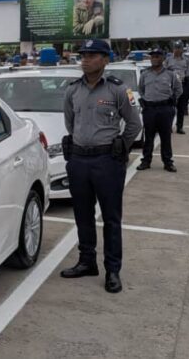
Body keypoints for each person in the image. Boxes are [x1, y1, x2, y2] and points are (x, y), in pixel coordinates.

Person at [60, 39, 142, 294]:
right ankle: (87, 262)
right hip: (79, 160)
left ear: (105, 60)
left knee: (111, 218)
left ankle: (113, 270)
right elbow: (70, 122)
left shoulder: (118, 89)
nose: (85, 59)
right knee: (82, 214)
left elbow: (134, 124)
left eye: (92, 55)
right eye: (83, 55)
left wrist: (120, 147)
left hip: (107, 161)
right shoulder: (73, 90)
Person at [136, 49, 182, 172]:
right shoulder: (145, 74)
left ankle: (168, 162)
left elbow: (178, 89)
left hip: (165, 109)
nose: (154, 59)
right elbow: (140, 89)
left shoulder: (170, 74)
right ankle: (146, 161)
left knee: (165, 137)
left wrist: (171, 100)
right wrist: (147, 99)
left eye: (157, 56)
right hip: (149, 109)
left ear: (163, 58)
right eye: (153, 57)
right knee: (148, 137)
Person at [165, 47, 189, 134]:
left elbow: (188, 72)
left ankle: (179, 127)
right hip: (171, 86)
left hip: (182, 85)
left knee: (181, 108)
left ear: (182, 50)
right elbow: (164, 71)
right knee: (170, 108)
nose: (177, 50)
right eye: (176, 48)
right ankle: (169, 127)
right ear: (173, 49)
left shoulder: (186, 60)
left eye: (179, 48)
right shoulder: (168, 60)